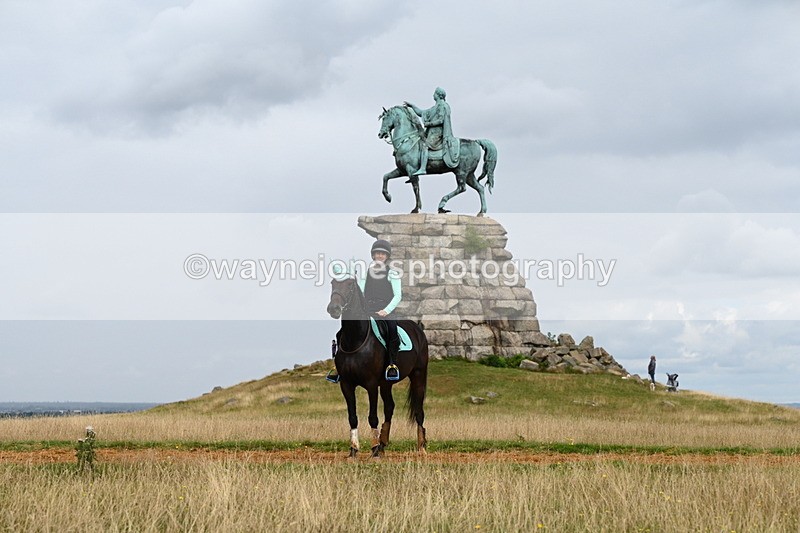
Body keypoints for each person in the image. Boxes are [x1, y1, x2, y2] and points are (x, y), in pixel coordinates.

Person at [359, 239, 403, 381]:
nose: (379, 256)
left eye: (382, 254)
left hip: (385, 310)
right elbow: (361, 292)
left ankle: (392, 364)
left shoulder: (393, 273)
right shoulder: (366, 273)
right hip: (368, 309)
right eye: (377, 253)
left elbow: (398, 295)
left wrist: (386, 310)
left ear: (387, 256)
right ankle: (340, 366)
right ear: (373, 255)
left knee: (392, 330)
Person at [404, 87, 460, 175]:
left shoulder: (442, 105)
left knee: (424, 145)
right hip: (432, 132)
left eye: (434, 93)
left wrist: (429, 124)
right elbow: (421, 112)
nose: (433, 95)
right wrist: (412, 106)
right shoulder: (435, 107)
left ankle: (423, 168)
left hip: (438, 133)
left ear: (438, 95)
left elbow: (441, 120)